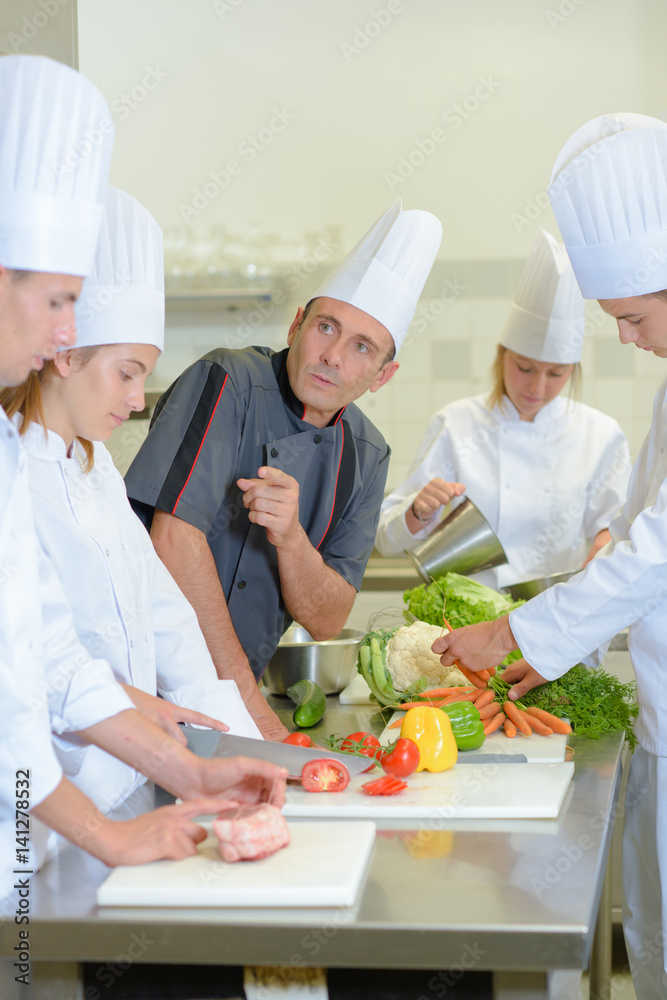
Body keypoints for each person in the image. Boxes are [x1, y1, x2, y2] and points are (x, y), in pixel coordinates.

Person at [0, 55, 285, 901]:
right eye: (55, 303)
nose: (61, 336)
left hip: (38, 828)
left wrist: (191, 771)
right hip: (40, 812)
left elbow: (47, 658)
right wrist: (111, 834)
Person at [433, 113, 667, 1000]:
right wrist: (541, 638)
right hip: (653, 707)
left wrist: (520, 636)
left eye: (633, 317)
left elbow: (648, 554)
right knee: (647, 939)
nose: (626, 338)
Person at [125, 201, 443, 738]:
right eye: (326, 327)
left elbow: (326, 618)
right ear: (297, 325)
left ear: (382, 376)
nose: (333, 355)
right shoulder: (226, 379)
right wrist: (249, 707)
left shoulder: (367, 453)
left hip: (230, 705)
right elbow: (174, 540)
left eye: (361, 346)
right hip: (138, 684)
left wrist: (293, 539)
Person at [0, 186, 265, 816]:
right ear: (65, 355)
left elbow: (169, 623)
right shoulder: (17, 474)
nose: (141, 399)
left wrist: (239, 747)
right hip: (46, 798)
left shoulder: (97, 470)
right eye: (126, 372)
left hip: (133, 778)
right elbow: (33, 669)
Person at [375, 229, 631, 589]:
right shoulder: (456, 424)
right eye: (524, 368)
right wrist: (419, 511)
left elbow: (613, 528)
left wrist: (603, 549)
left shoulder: (600, 435)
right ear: (501, 356)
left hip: (558, 615)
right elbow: (385, 540)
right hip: (472, 621)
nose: (537, 387)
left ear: (573, 370)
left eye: (556, 374)